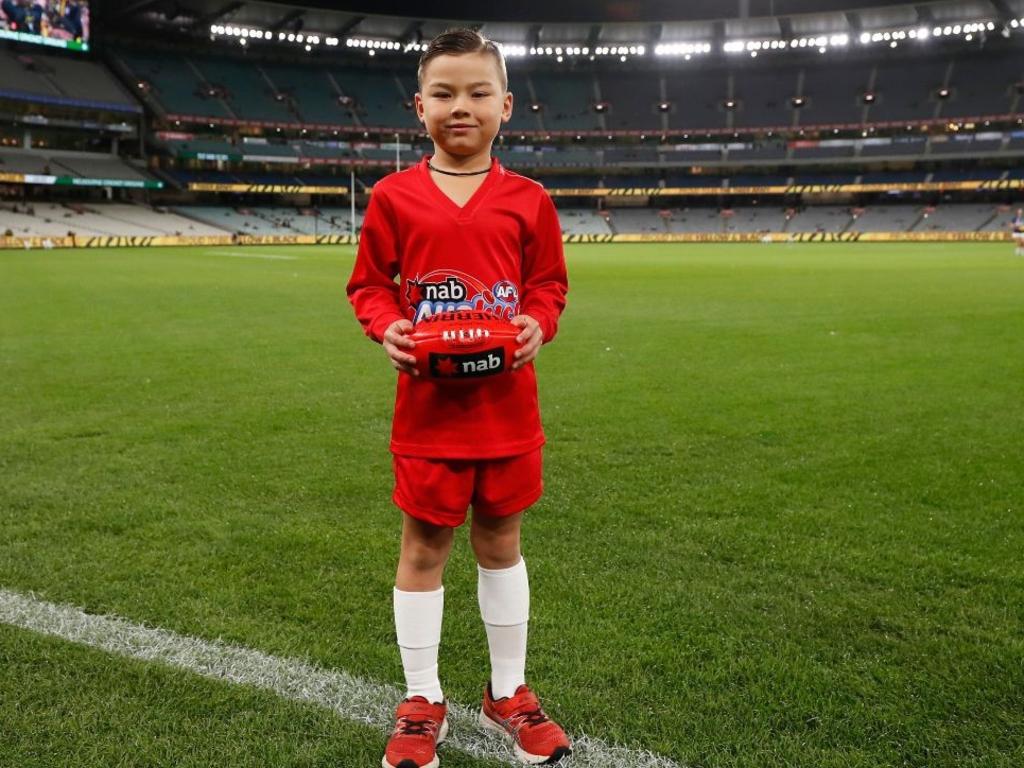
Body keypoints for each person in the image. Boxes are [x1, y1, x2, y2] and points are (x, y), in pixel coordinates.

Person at [346, 27, 571, 768]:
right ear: (420, 107)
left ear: (506, 105)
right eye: (444, 93)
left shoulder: (529, 199)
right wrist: (387, 327)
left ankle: (508, 689)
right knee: (424, 546)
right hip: (429, 415)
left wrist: (539, 321)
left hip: (509, 412)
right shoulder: (393, 196)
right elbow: (369, 285)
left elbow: (548, 285)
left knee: (501, 544)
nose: (461, 106)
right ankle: (421, 698)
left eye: (478, 92)